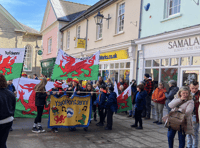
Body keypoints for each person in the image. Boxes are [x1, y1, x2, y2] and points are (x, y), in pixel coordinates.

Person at [0, 74, 16, 148]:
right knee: (3, 143)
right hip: (8, 121)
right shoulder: (11, 94)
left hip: (2, 121)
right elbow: (13, 108)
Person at [186, 81, 200, 148]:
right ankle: (189, 146)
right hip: (187, 116)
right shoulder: (186, 93)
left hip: (195, 115)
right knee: (188, 133)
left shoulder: (199, 94)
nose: (194, 90)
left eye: (196, 88)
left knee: (194, 134)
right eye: (193, 88)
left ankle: (194, 147)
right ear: (189, 87)